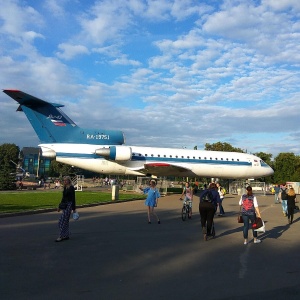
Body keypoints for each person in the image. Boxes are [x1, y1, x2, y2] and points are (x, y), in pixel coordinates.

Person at [56, 176, 77, 242]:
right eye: (64, 180)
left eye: (66, 180)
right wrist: (59, 207)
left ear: (69, 181)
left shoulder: (71, 188)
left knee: (62, 221)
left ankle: (61, 236)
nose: (65, 181)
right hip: (65, 205)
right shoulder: (65, 187)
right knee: (64, 221)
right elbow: (63, 198)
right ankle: (66, 235)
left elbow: (73, 198)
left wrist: (74, 208)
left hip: (69, 205)